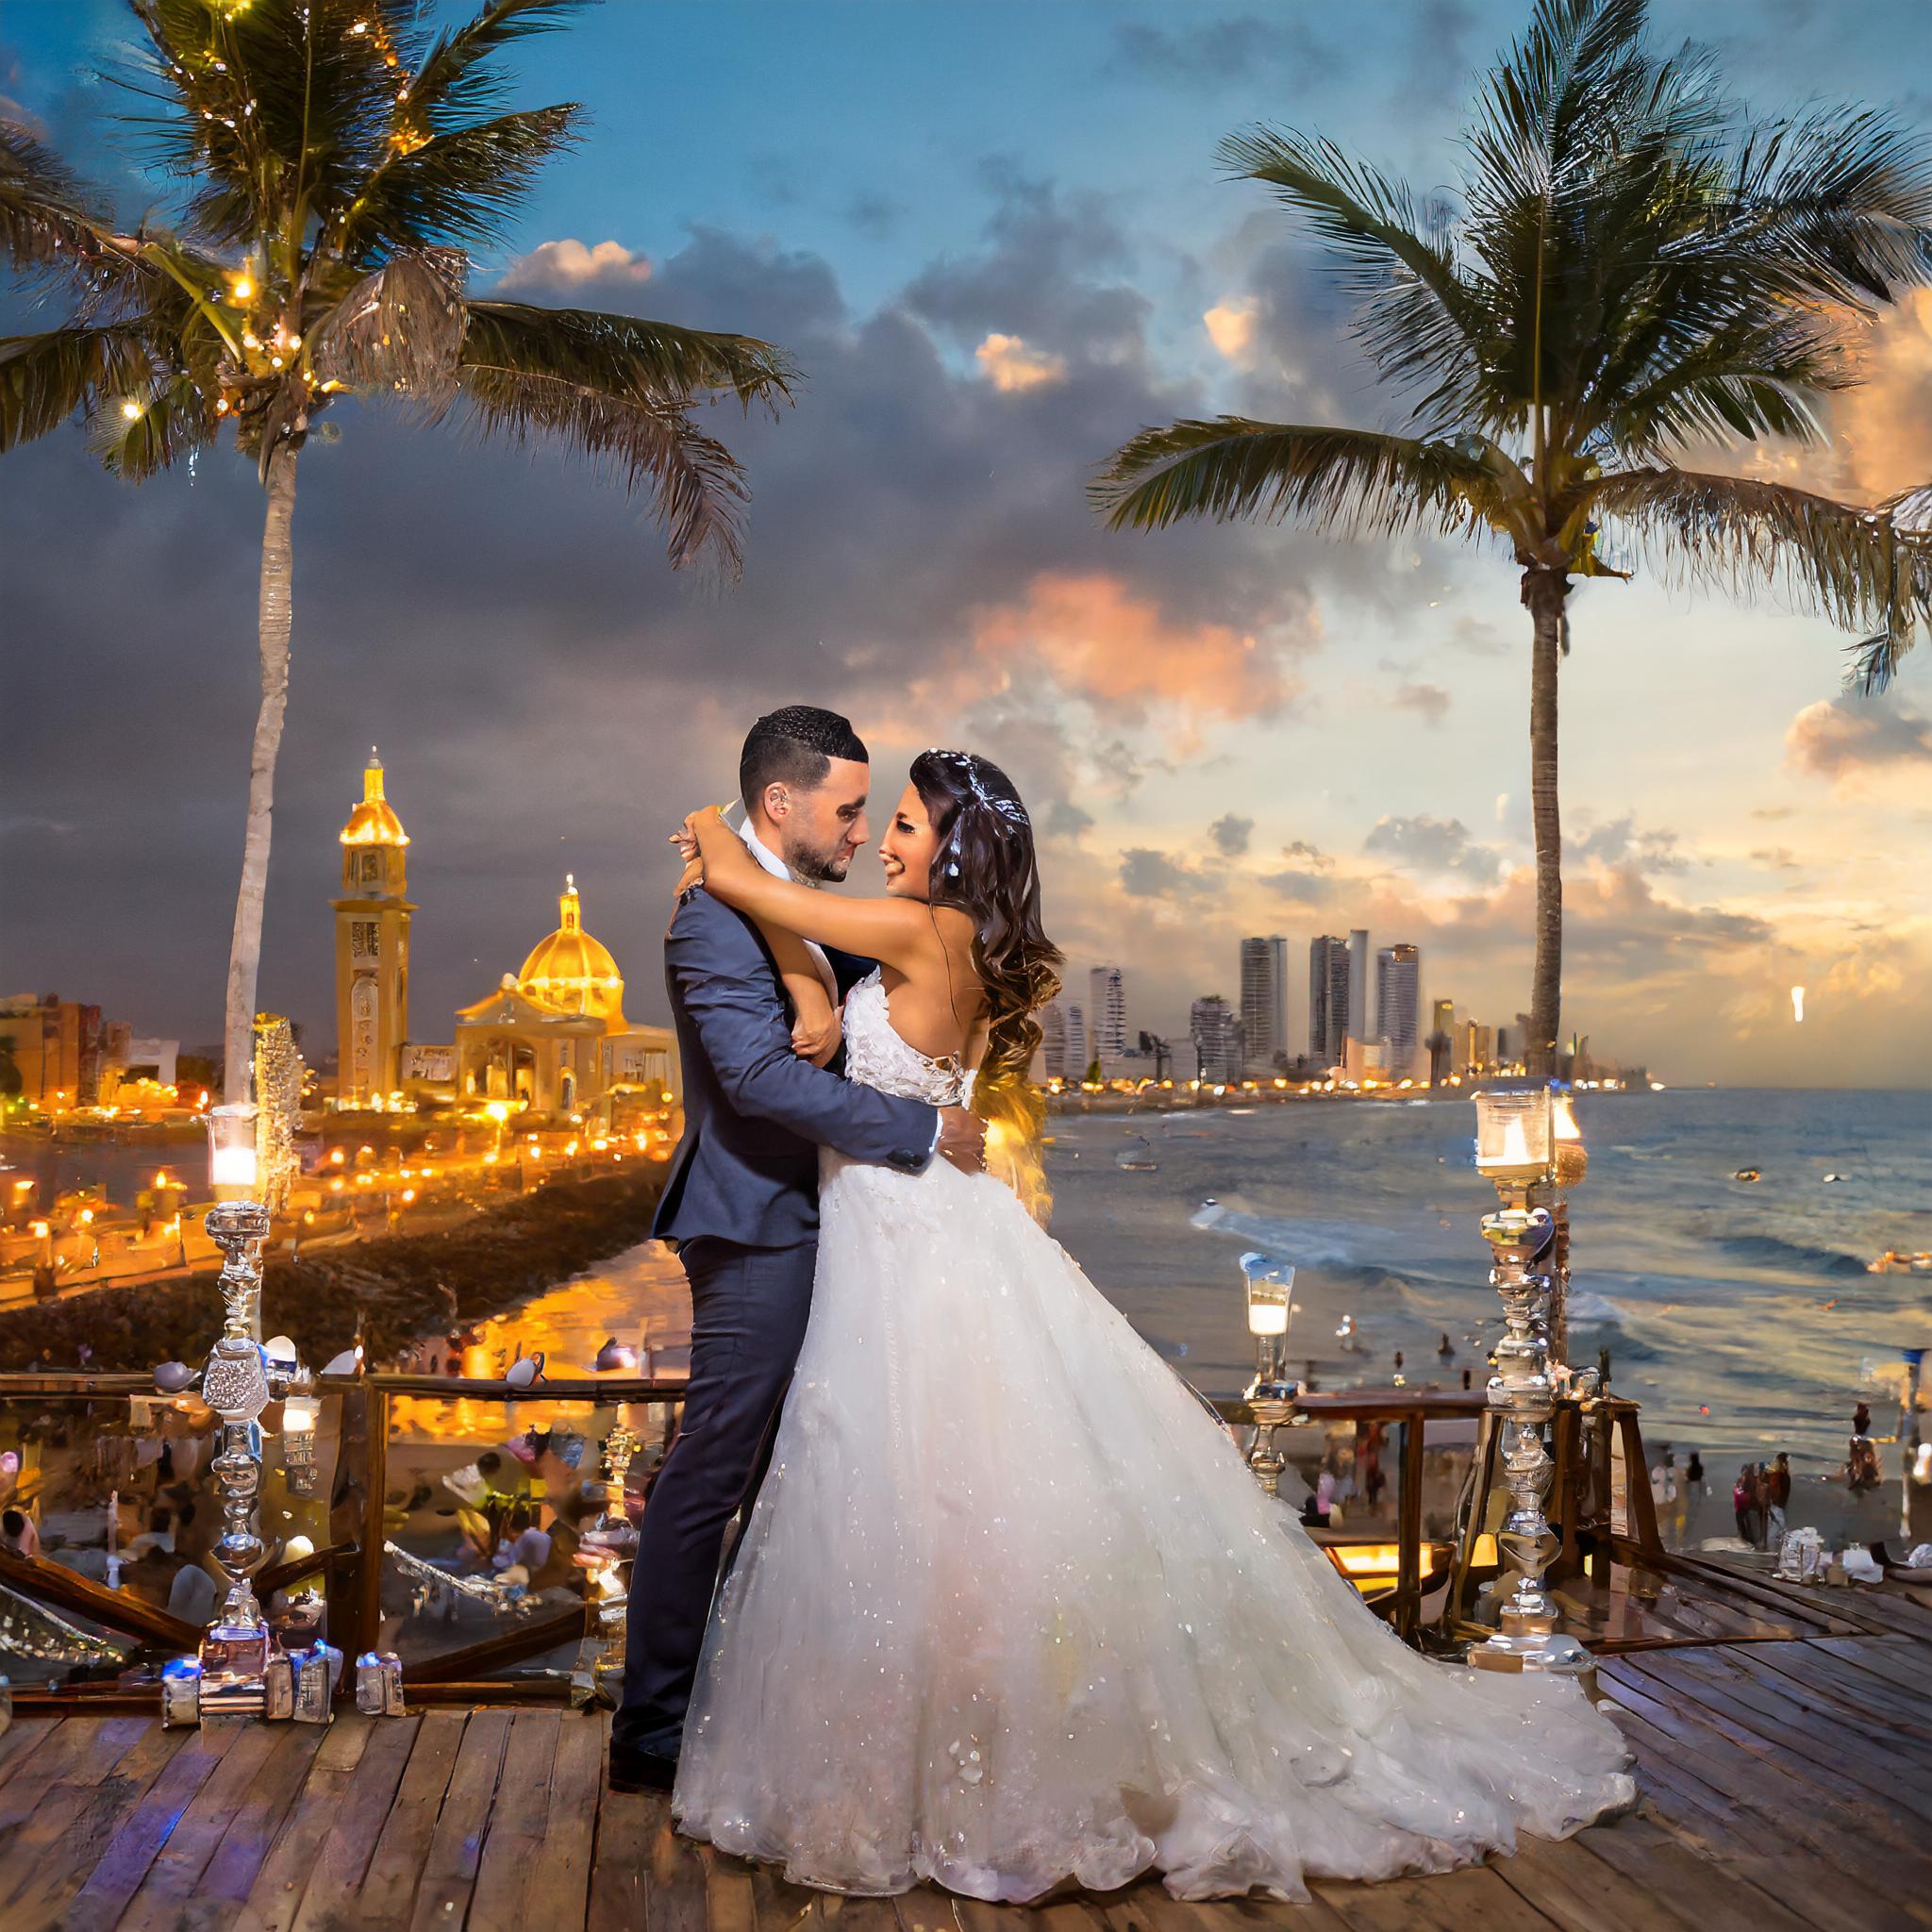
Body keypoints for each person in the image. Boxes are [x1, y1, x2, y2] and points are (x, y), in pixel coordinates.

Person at [664, 747, 1632, 1902]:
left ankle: (951, 1759)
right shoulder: (947, 942)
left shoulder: (929, 934)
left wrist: (706, 828)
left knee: (927, 1493)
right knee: (927, 1494)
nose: (886, 838)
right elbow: (804, 936)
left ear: (957, 847)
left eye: (907, 824)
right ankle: (951, 1744)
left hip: (906, 1230)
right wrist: (818, 988)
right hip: (905, 1226)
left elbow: (764, 891)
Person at [609, 709, 987, 1798]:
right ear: (781, 803)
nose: (862, 829)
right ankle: (654, 1730)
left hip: (838, 1220)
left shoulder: (771, 901)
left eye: (876, 811)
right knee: (714, 1468)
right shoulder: (706, 923)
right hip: (756, 1221)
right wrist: (917, 1129)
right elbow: (758, 1081)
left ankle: (757, 1701)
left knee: (800, 1470)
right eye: (848, 807)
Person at [1766, 1452, 1791, 1546]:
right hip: (1777, 1504)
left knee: (1775, 1526)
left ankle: (1772, 1547)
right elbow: (1775, 1490)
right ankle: (1779, 1547)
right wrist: (1774, 1501)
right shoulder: (1779, 1475)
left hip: (1777, 1503)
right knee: (1781, 1525)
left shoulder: (1779, 1475)